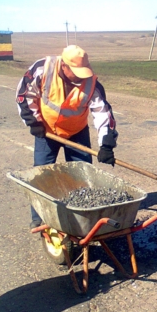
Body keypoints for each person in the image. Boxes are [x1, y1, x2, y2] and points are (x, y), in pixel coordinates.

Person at [16, 45, 119, 229]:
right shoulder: (42, 69)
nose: (81, 77)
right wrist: (34, 122)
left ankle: (82, 216)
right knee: (42, 175)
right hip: (46, 131)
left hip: (77, 132)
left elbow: (103, 113)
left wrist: (106, 145)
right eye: (76, 72)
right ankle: (39, 217)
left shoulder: (91, 83)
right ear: (64, 65)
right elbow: (24, 95)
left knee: (83, 175)